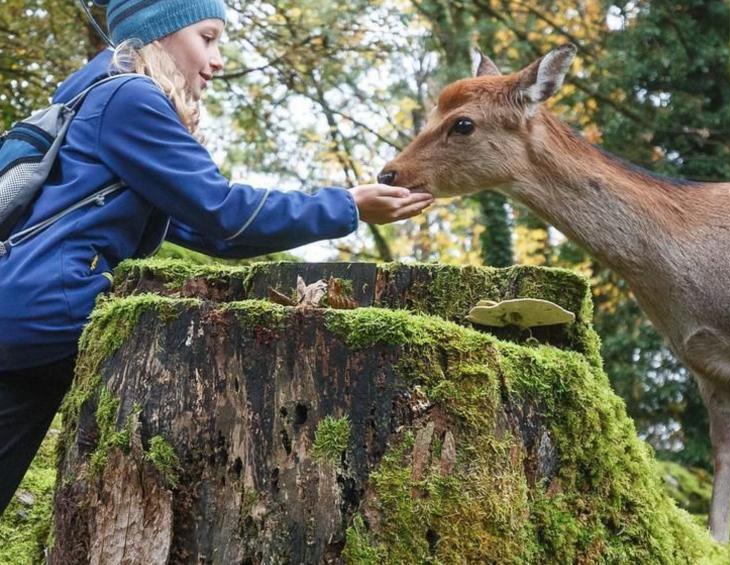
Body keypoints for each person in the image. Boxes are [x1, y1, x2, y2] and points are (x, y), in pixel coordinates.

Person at [0, 0, 434, 515]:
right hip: (53, 317)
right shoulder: (128, 98)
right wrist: (345, 204)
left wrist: (345, 212)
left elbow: (214, 233)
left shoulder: (97, 98)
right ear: (157, 35)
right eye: (207, 37)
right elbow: (223, 210)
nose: (218, 59)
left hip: (24, 320)